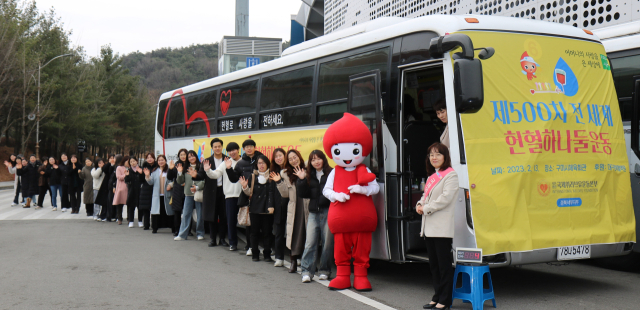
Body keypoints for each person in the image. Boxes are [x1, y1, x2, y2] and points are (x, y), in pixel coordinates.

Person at [416, 143, 458, 310]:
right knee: (434, 265)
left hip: (442, 228)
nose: (434, 158)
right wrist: (419, 204)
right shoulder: (432, 176)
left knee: (444, 265)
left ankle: (445, 300)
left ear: (445, 157)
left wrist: (425, 208)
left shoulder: (451, 175)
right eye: (431, 155)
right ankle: (436, 296)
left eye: (438, 154)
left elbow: (446, 199)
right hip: (429, 227)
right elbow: (425, 195)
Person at [297, 150, 334, 283]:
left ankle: (324, 270)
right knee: (310, 242)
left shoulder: (331, 172)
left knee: (327, 243)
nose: (316, 162)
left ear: (324, 159)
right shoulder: (308, 175)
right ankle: (307, 271)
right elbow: (304, 194)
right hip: (313, 212)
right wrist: (301, 180)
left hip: (328, 210)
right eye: (313, 160)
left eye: (318, 159)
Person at [273, 149, 309, 273]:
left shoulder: (307, 170)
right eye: (290, 159)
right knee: (293, 234)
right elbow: (285, 194)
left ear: (299, 156)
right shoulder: (285, 173)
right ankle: (293, 260)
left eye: (295, 157)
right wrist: (279, 182)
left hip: (307, 206)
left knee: (307, 234)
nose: (294, 160)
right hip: (294, 206)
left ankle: (306, 261)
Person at [226, 139, 265, 255]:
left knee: (264, 222)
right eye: (246, 147)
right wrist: (229, 169)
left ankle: (267, 247)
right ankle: (250, 246)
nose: (249, 148)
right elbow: (234, 179)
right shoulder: (241, 163)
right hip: (249, 195)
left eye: (251, 146)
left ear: (254, 147)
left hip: (262, 195)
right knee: (250, 223)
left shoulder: (261, 159)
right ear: (243, 149)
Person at [239, 155, 274, 262]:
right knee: (254, 232)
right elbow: (249, 193)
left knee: (267, 233)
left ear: (267, 164)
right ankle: (255, 253)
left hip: (267, 209)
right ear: (256, 165)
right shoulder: (253, 176)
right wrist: (245, 187)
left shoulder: (272, 177)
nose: (261, 165)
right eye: (259, 163)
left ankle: (267, 253)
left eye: (263, 163)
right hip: (254, 208)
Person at [210, 142, 243, 251]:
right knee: (231, 221)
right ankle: (233, 243)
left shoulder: (244, 162)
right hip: (229, 196)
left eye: (234, 150)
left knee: (247, 221)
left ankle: (250, 246)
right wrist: (207, 170)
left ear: (238, 150)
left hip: (244, 195)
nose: (232, 152)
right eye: (229, 151)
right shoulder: (225, 163)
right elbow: (215, 174)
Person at [197, 138, 228, 247]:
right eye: (215, 147)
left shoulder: (227, 159)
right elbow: (201, 175)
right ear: (212, 148)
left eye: (219, 146)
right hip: (211, 192)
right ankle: (213, 239)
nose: (217, 148)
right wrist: (194, 175)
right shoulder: (207, 160)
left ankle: (223, 239)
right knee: (212, 216)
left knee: (223, 216)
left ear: (222, 147)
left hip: (224, 191)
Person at [174, 150, 205, 241]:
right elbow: (180, 181)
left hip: (198, 193)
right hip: (188, 194)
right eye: (189, 157)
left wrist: (197, 187)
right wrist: (179, 173)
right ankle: (182, 234)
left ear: (196, 156)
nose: (191, 158)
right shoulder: (185, 168)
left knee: (200, 215)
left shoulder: (201, 167)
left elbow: (203, 181)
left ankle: (200, 233)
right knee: (186, 214)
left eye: (193, 156)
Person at [269, 148, 289, 267]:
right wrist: (271, 205)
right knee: (279, 232)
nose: (278, 158)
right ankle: (279, 257)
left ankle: (296, 257)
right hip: (278, 206)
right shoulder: (273, 171)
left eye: (280, 155)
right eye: (276, 156)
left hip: (291, 204)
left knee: (294, 232)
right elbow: (271, 190)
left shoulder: (290, 170)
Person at [145, 154, 174, 234]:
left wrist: (171, 185)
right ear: (157, 162)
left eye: (162, 160)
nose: (161, 162)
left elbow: (174, 180)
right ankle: (155, 228)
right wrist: (147, 176)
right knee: (156, 212)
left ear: (165, 161)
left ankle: (172, 227)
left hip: (167, 195)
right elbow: (151, 183)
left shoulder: (169, 170)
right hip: (157, 195)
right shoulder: (154, 171)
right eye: (159, 160)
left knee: (169, 211)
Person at [167, 149, 188, 237]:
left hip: (188, 190)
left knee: (187, 211)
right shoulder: (176, 165)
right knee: (177, 211)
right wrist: (171, 169)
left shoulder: (189, 164)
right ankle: (177, 230)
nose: (183, 156)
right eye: (181, 155)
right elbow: (170, 177)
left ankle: (187, 230)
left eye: (184, 154)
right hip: (177, 191)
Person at [137, 153, 157, 230]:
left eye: (151, 157)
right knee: (146, 208)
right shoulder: (144, 167)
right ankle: (146, 224)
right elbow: (141, 180)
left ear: (154, 158)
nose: (149, 159)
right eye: (148, 157)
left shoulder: (157, 167)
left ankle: (155, 224)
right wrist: (141, 174)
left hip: (154, 188)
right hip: (146, 189)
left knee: (154, 207)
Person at [125, 157, 143, 228]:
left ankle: (140, 221)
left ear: (137, 161)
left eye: (134, 161)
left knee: (140, 206)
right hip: (132, 191)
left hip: (140, 190)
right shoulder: (129, 170)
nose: (133, 163)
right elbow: (126, 181)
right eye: (131, 162)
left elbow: (143, 179)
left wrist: (141, 173)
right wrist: (126, 176)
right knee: (131, 206)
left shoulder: (140, 169)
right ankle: (131, 221)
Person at [113, 155, 130, 225]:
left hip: (129, 188)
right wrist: (126, 175)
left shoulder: (131, 168)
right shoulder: (119, 168)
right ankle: (119, 218)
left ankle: (129, 218)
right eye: (127, 161)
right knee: (120, 204)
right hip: (121, 188)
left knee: (129, 204)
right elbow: (118, 177)